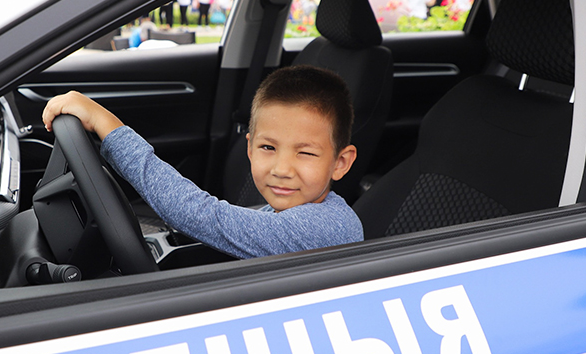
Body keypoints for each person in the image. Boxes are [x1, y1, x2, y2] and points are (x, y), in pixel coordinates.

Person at [42, 65, 363, 259]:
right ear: (249, 148)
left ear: (341, 162)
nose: (281, 168)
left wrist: (106, 124)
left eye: (305, 153)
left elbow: (202, 215)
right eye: (268, 147)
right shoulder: (283, 213)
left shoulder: (325, 227)